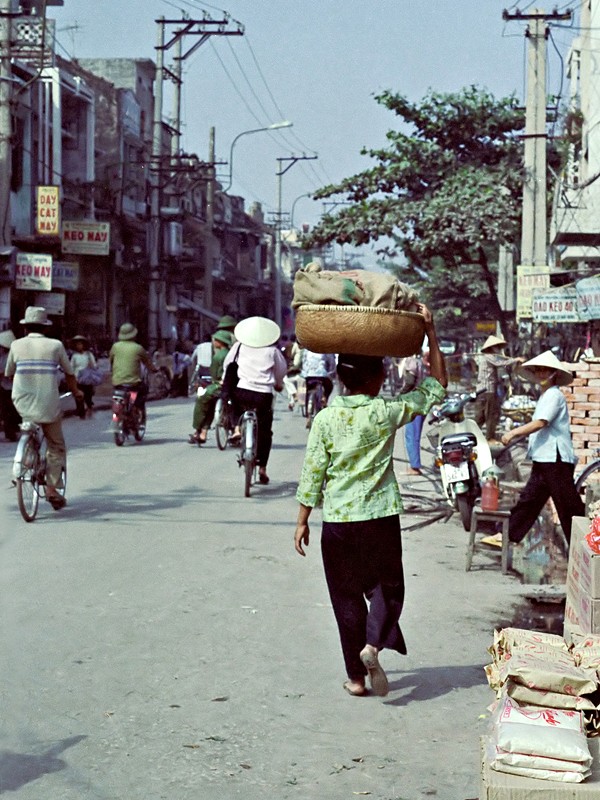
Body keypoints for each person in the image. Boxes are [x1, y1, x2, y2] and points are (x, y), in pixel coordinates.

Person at [294, 304, 448, 697]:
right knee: (387, 588)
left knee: (345, 598)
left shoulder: (327, 418)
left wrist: (301, 520)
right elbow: (436, 387)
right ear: (379, 378)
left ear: (341, 381)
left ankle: (356, 679)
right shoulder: (386, 411)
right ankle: (373, 645)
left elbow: (313, 471)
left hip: (338, 524)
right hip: (379, 518)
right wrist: (430, 332)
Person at [488, 350, 585, 549]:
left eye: (545, 370)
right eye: (538, 370)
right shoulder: (545, 395)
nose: (541, 374)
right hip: (544, 458)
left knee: (568, 506)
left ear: (554, 374)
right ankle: (507, 534)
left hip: (555, 458)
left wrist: (513, 433)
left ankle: (585, 544)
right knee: (529, 500)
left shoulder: (554, 395)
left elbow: (541, 422)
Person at [5, 306, 82, 509]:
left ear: (25, 327)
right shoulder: (55, 346)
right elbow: (70, 374)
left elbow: (9, 373)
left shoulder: (16, 345)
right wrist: (78, 394)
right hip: (48, 404)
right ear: (46, 328)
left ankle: (27, 462)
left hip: (22, 402)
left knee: (29, 426)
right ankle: (51, 488)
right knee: (56, 445)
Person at [222, 316, 287, 485]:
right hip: (264, 395)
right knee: (265, 432)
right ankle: (263, 469)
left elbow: (227, 364)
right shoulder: (272, 351)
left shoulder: (239, 346)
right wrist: (278, 385)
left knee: (235, 406)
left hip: (242, 390)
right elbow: (281, 371)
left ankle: (236, 428)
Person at [474, 334, 522, 445]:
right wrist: (515, 359)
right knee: (491, 414)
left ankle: (474, 434)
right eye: (497, 347)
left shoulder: (485, 356)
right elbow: (501, 362)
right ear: (492, 347)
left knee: (480, 415)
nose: (498, 350)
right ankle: (489, 437)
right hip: (488, 390)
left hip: (481, 390)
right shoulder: (489, 356)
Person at [188, 330, 232, 444]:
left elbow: (214, 374)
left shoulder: (218, 356)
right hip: (232, 386)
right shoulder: (231, 353)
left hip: (219, 386)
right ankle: (203, 433)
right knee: (211, 403)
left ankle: (198, 429)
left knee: (202, 400)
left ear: (220, 342)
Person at [109, 323, 156, 416]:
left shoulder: (115, 347)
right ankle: (137, 411)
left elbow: (111, 361)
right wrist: (154, 370)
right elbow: (148, 364)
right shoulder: (138, 348)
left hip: (117, 382)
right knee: (143, 392)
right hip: (133, 383)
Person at [399, 350, 430, 475]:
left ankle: (414, 466)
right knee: (415, 434)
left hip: (414, 401)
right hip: (423, 400)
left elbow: (410, 381)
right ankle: (415, 464)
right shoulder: (421, 362)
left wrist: (401, 394)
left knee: (412, 434)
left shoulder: (411, 361)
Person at [299, 348, 336, 421]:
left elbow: (303, 363)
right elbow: (332, 364)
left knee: (308, 391)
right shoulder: (325, 350)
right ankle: (325, 397)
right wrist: (330, 373)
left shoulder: (307, 350)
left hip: (309, 375)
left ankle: (307, 415)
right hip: (322, 375)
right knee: (329, 386)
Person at [0, 329, 21, 441]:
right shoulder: (3, 356)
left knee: (9, 411)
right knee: (8, 411)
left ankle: (11, 432)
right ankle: (11, 431)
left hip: (11, 387)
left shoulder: (9, 356)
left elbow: (6, 371)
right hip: (5, 386)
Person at [70, 335, 97, 418]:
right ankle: (81, 412)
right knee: (79, 396)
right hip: (78, 379)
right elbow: (71, 367)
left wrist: (91, 366)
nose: (79, 346)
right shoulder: (74, 356)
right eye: (77, 344)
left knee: (88, 396)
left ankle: (89, 408)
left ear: (84, 345)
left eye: (80, 344)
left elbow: (94, 366)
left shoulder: (89, 355)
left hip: (87, 378)